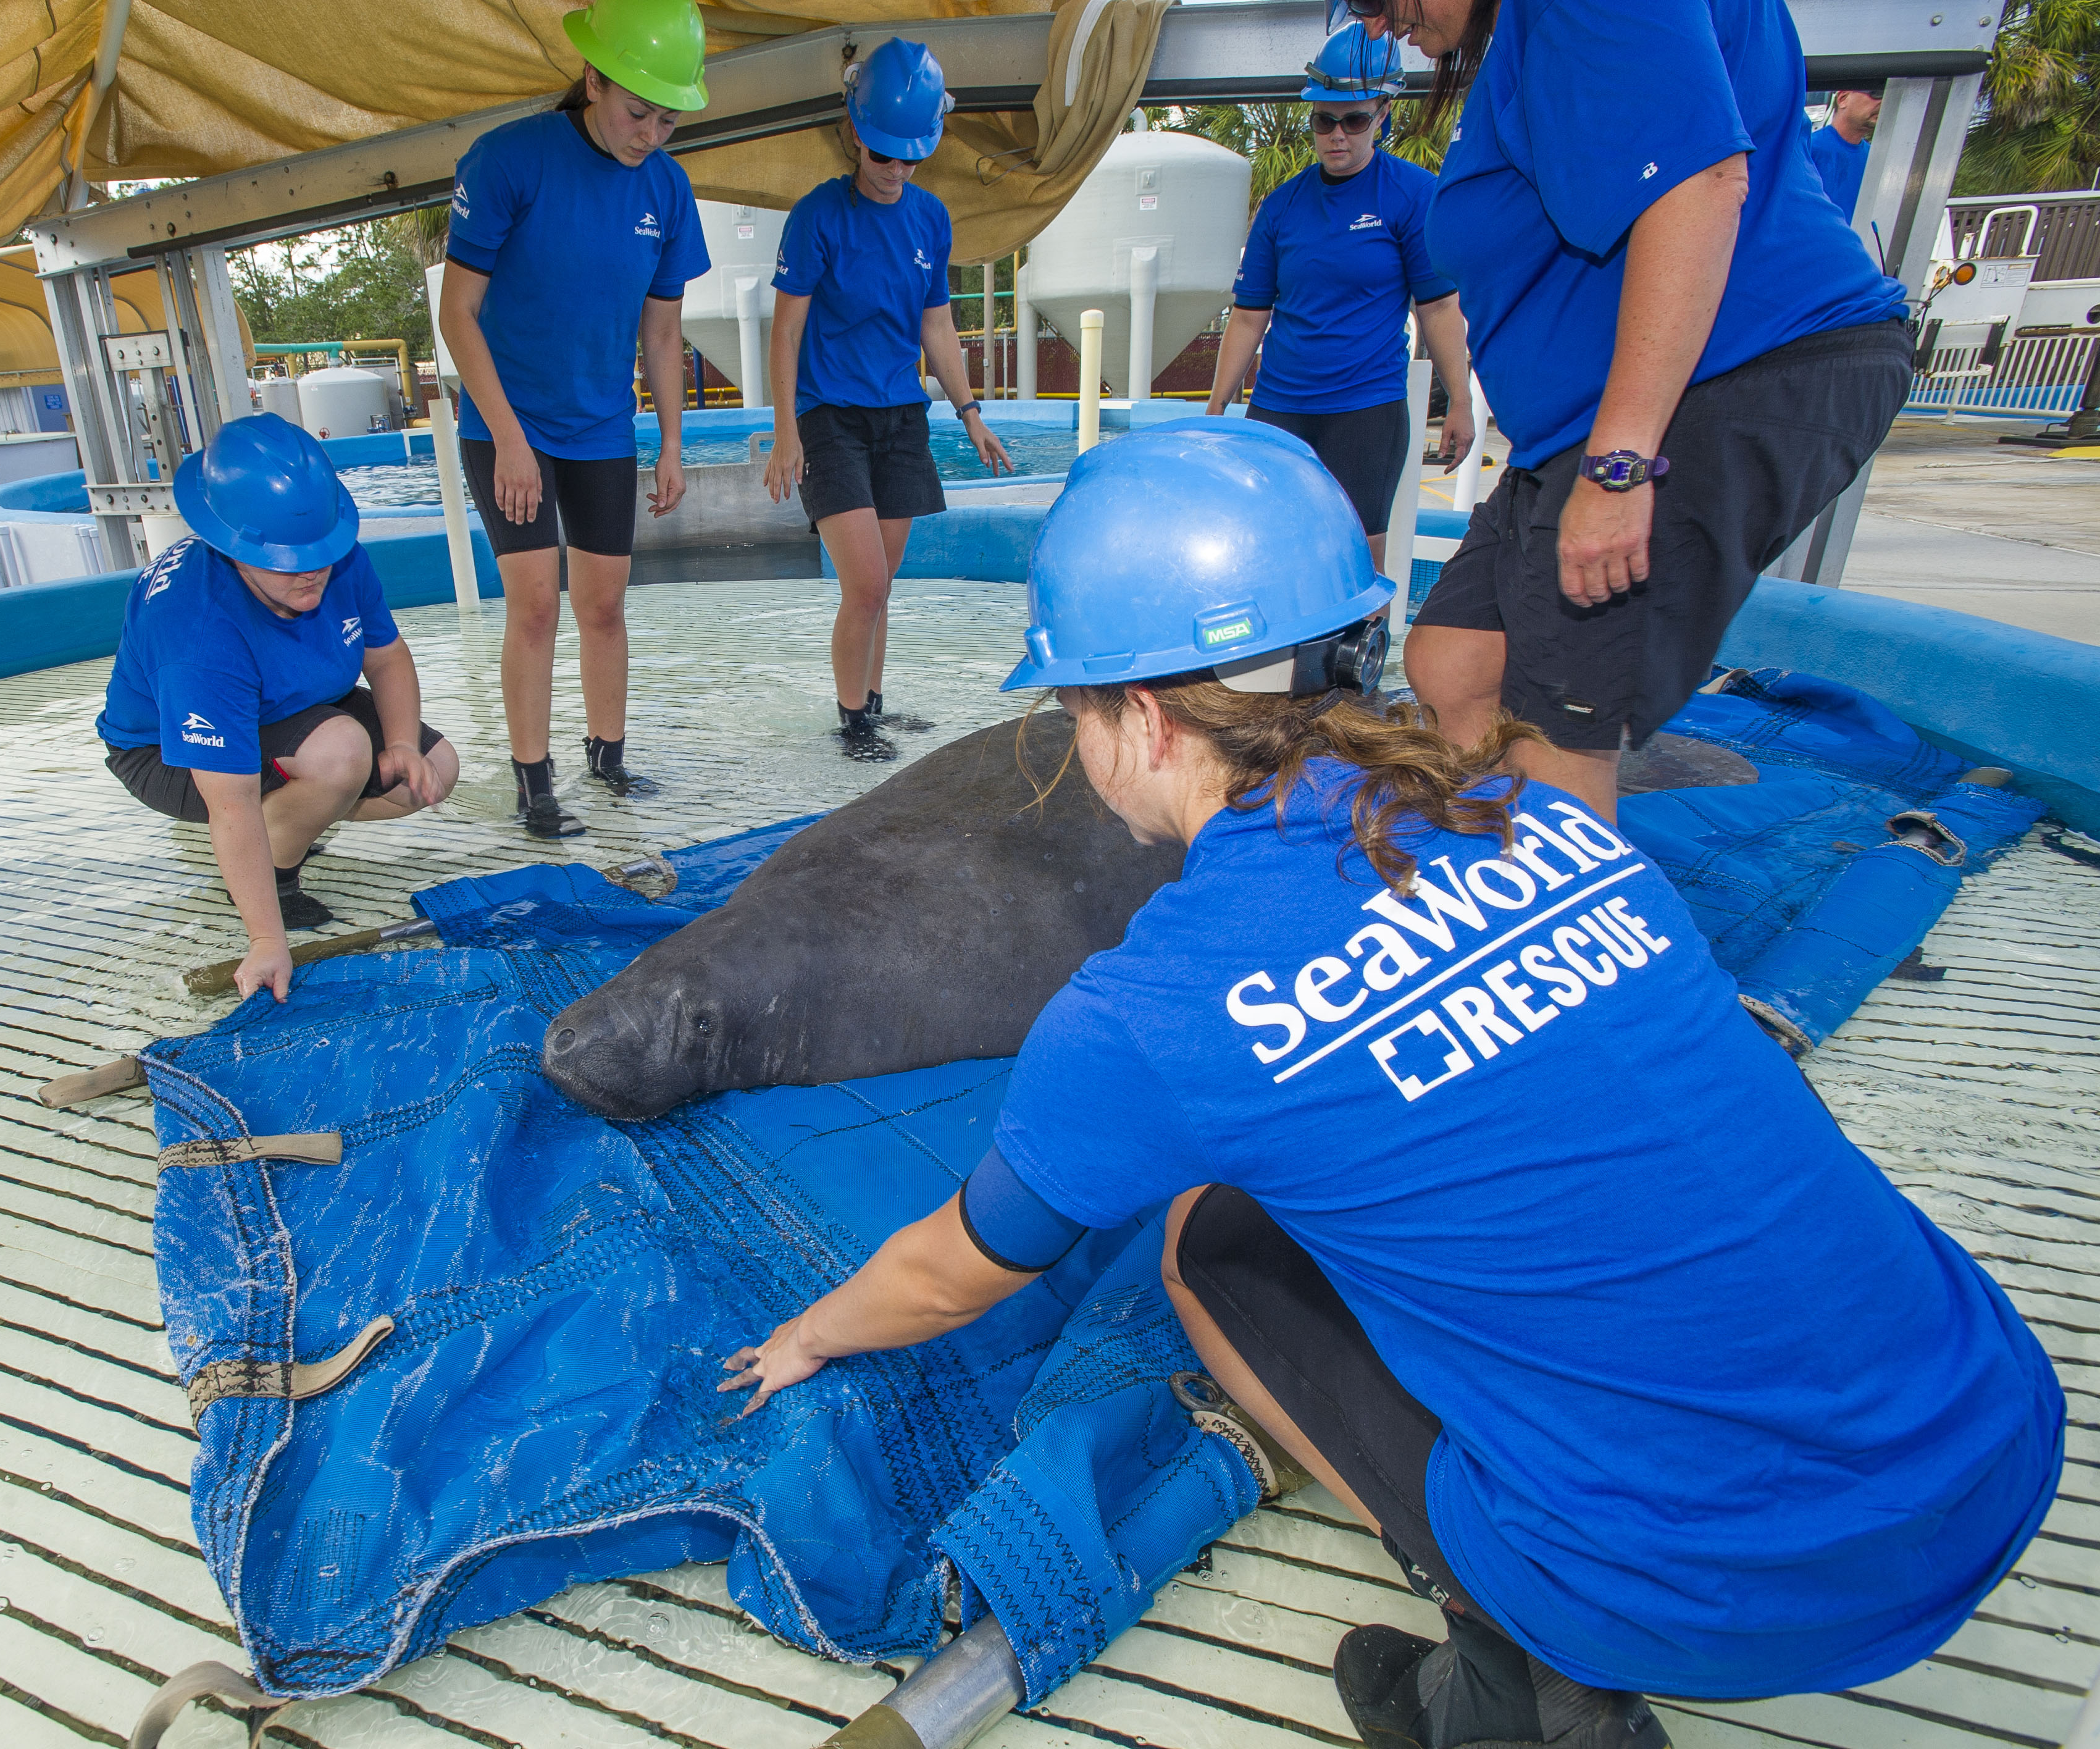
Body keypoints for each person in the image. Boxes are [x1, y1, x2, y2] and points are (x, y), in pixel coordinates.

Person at [716, 426, 2062, 1749]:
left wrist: (813, 1337)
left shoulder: (1156, 1010)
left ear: (1133, 715)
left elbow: (959, 1271)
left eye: (1067, 709)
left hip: (1701, 1599)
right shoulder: (1544, 820)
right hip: (1995, 1438)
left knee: (1204, 1237)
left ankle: (1511, 1667)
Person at [1357, 0, 1913, 823]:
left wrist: (1620, 466)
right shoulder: (1526, 35)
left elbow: (1699, 188)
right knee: (1451, 663)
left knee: (1558, 733)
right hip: (1578, 427)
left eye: (1375, 0)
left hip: (1715, 384)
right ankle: (1492, 870)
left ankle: (1560, 908)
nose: (1374, 26)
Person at [435, 0, 712, 839]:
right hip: (506, 424)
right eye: (637, 112)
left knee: (603, 605)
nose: (649, 134)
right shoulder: (508, 161)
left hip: (600, 428)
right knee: (534, 605)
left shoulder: (666, 188)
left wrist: (669, 441)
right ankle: (534, 783)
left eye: (668, 118)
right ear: (592, 79)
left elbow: (662, 331)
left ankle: (609, 755)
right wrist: (511, 440)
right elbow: (458, 316)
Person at [96, 414, 457, 1002]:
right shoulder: (198, 633)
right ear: (230, 545)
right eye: (286, 560)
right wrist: (265, 937)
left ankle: (296, 815)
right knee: (340, 756)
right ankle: (277, 876)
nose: (310, 570)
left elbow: (387, 658)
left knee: (432, 771)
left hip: (291, 705)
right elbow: (230, 802)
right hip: (162, 752)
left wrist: (399, 746)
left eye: (320, 550)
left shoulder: (336, 557)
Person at [763, 38, 1013, 760]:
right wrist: (787, 433)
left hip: (900, 416)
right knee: (864, 583)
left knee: (884, 585)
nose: (894, 170)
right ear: (853, 132)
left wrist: (970, 413)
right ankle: (850, 725)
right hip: (828, 416)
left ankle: (872, 704)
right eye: (881, 154)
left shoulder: (929, 218)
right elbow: (786, 333)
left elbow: (936, 323)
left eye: (909, 156)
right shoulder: (816, 216)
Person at [1201, 23, 1475, 570]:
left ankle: (1355, 656)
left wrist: (1461, 402)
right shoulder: (1281, 207)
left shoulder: (1411, 195)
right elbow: (1251, 317)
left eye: (1353, 120)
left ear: (1383, 117)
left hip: (1365, 409)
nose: (1337, 135)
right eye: (1324, 121)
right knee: (1271, 550)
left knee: (1358, 555)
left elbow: (1439, 306)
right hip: (1280, 408)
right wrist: (1217, 406)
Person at [1806, 84, 1885, 217]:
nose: (1882, 102)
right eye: (1876, 93)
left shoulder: (1876, 158)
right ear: (1843, 98)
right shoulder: (1809, 150)